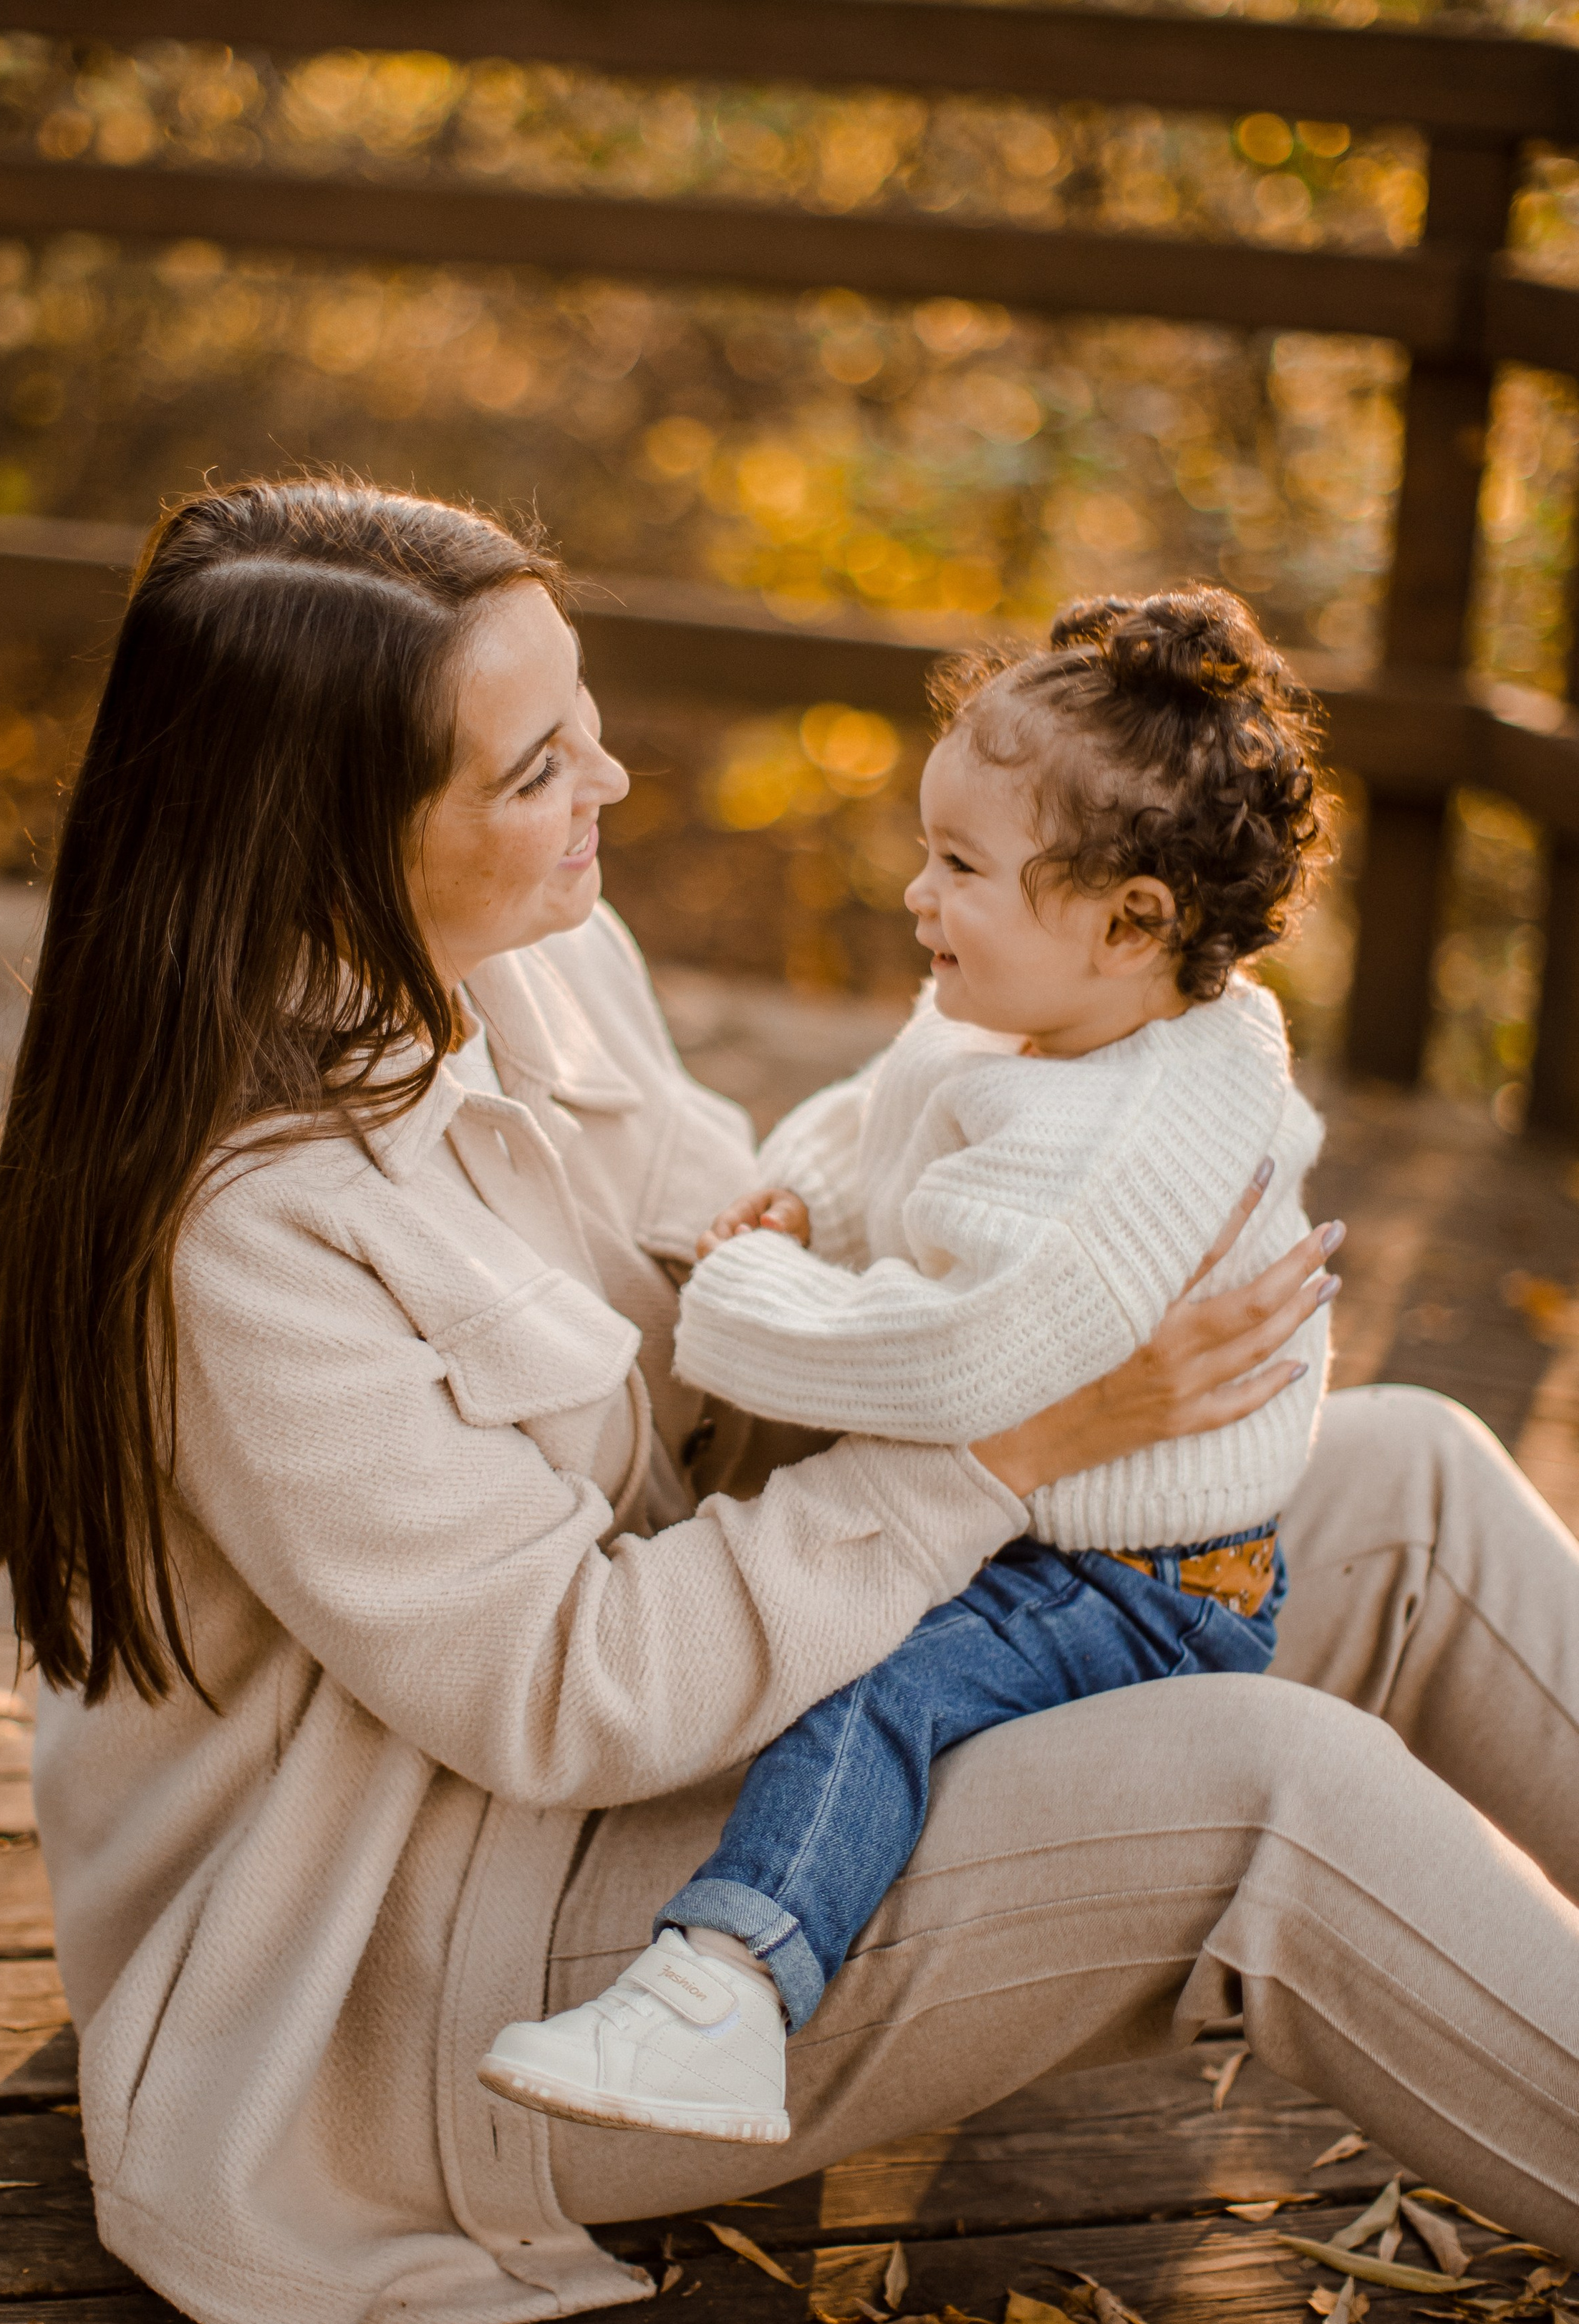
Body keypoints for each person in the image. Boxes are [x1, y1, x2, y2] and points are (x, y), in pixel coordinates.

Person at [0, 477, 1579, 2324]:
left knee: (1404, 1482)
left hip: (714, 1757)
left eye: (586, 721)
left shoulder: (538, 956)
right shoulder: (243, 1233)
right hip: (429, 1975)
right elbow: (574, 1693)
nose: (615, 786)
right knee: (1271, 1791)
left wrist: (1057, 1255)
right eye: (539, 765)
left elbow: (745, 1289)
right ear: (329, 839)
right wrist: (1011, 1437)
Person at [478, 588, 1336, 2142]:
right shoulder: (1053, 1015)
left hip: (1136, 1577)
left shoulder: (1114, 1144)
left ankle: (723, 1992)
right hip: (1078, 1517)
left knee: (866, 1683)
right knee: (859, 1634)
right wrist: (804, 1190)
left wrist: (743, 1290)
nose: (912, 894)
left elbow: (949, 1364)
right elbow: (899, 1100)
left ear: (1129, 919)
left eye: (956, 869)